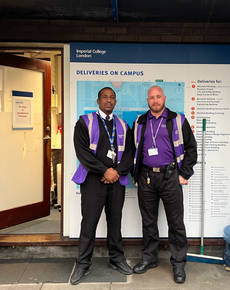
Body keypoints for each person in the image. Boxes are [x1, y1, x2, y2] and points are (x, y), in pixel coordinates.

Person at [131, 85, 197, 284]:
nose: (155, 100)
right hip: (146, 178)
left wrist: (184, 174)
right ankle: (149, 259)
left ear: (164, 98)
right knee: (148, 221)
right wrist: (136, 174)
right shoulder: (140, 122)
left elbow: (191, 149)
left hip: (170, 177)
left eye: (158, 97)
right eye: (151, 97)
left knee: (176, 223)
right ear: (147, 100)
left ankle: (178, 264)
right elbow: (134, 150)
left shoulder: (177, 120)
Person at [70, 87, 134, 285]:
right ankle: (82, 264)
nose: (108, 100)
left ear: (115, 101)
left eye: (112, 97)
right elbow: (82, 152)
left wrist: (116, 172)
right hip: (92, 181)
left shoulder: (123, 126)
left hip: (116, 181)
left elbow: (130, 153)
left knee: (115, 221)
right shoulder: (84, 122)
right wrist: (103, 170)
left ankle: (117, 259)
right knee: (89, 223)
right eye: (105, 97)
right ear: (98, 101)